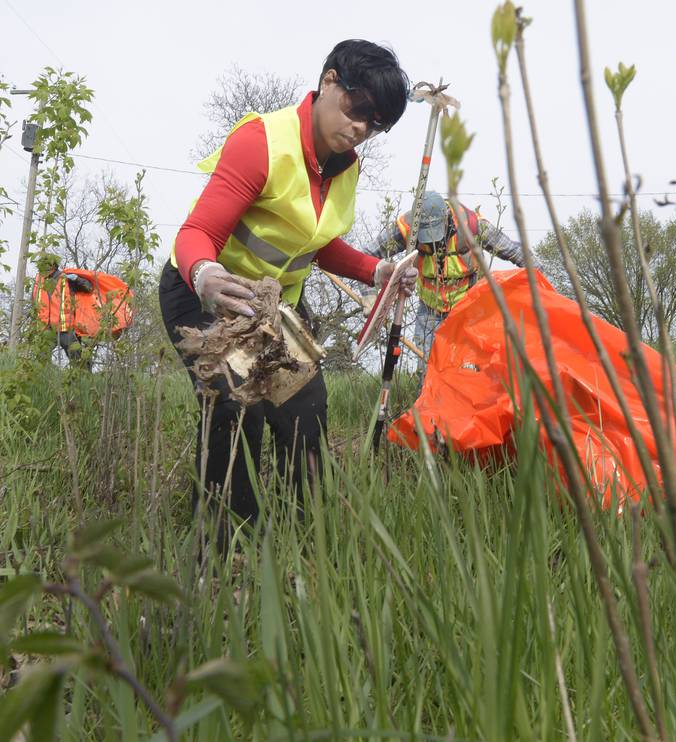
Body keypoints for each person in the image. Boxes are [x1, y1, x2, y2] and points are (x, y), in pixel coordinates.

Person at [159, 39, 416, 525]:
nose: (361, 127)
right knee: (238, 411)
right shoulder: (263, 142)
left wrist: (374, 270)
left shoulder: (345, 167)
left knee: (305, 410)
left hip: (272, 312)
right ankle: (225, 548)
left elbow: (315, 242)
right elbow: (197, 233)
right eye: (357, 107)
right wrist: (206, 274)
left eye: (376, 122)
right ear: (329, 81)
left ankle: (304, 536)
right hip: (203, 294)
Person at [362, 190, 529, 379]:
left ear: (447, 219)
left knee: (472, 370)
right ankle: (429, 406)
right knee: (427, 372)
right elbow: (367, 254)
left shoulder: (472, 226)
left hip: (470, 308)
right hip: (430, 310)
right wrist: (369, 295)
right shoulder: (407, 229)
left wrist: (543, 290)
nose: (433, 243)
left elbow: (517, 252)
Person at [32, 259, 95, 369]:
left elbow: (89, 287)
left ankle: (85, 380)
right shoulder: (38, 282)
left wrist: (77, 279)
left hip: (64, 327)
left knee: (78, 358)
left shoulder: (66, 278)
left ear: (53, 267)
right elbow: (34, 303)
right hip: (46, 328)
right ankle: (44, 382)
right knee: (40, 359)